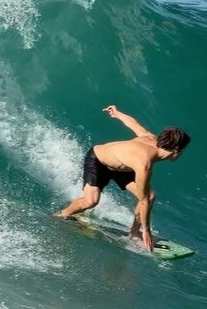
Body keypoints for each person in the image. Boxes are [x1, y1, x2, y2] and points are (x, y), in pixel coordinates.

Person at [56, 106, 190, 251]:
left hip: (122, 167)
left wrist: (117, 114)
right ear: (177, 150)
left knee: (150, 196)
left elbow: (134, 124)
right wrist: (147, 231)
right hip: (97, 161)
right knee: (91, 201)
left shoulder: (151, 139)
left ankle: (134, 232)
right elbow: (143, 201)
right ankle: (62, 214)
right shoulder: (144, 163)